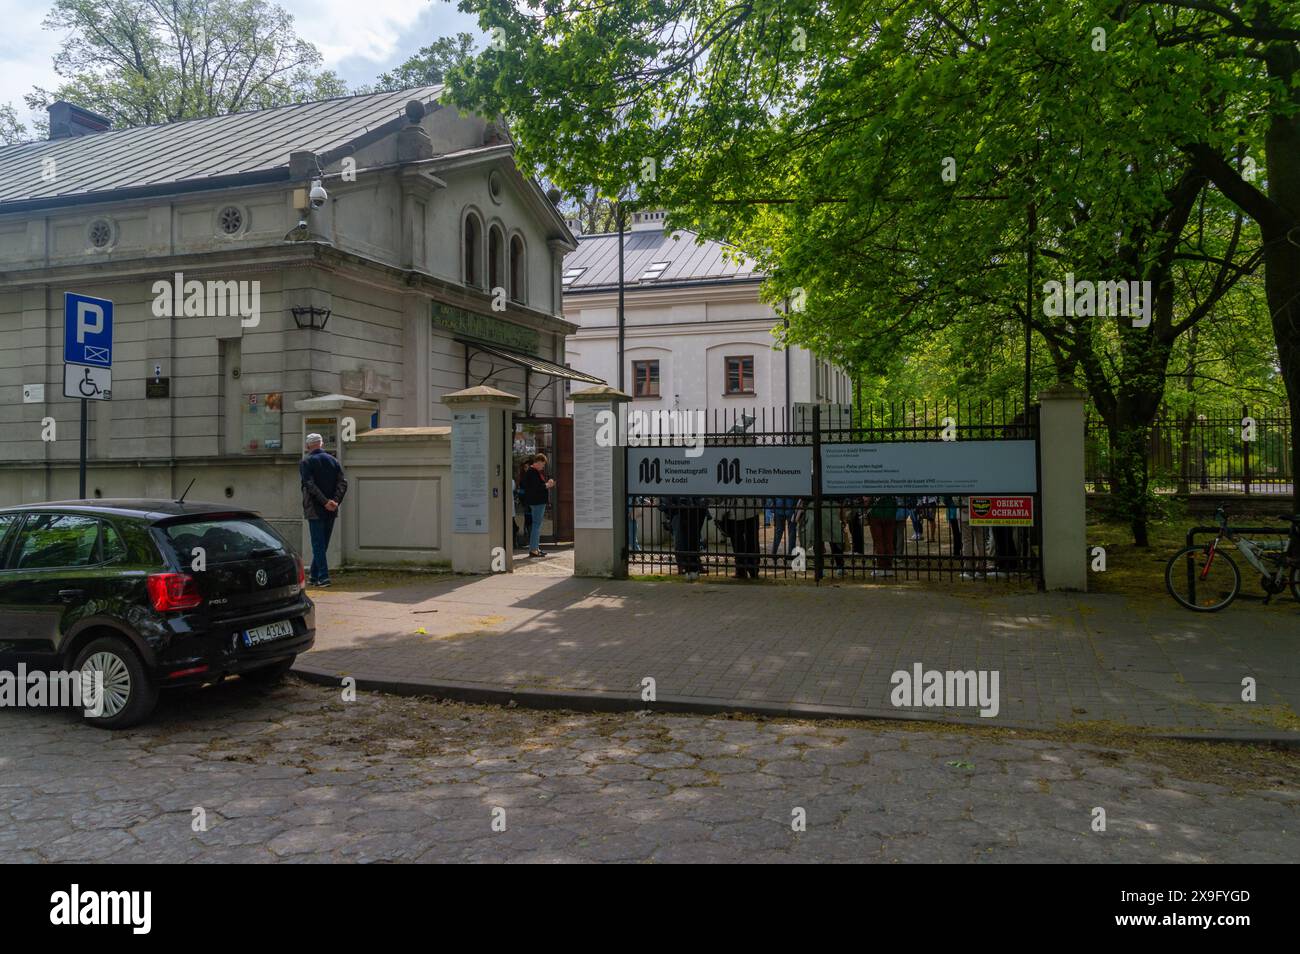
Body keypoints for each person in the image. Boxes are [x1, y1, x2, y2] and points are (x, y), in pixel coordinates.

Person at [300, 432, 348, 587]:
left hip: (315, 509)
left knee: (318, 544)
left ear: (308, 446)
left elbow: (310, 485)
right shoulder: (334, 461)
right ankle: (314, 576)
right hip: (331, 509)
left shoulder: (306, 463)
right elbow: (343, 483)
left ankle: (323, 577)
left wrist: (325, 501)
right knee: (323, 544)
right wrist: (335, 501)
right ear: (321, 444)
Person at [521, 453, 555, 557]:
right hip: (537, 502)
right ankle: (534, 549)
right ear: (538, 462)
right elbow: (536, 488)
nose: (543, 467)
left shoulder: (532, 472)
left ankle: (535, 548)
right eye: (543, 464)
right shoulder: (532, 472)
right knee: (536, 525)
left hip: (536, 502)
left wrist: (546, 484)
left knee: (536, 525)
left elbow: (535, 486)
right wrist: (547, 484)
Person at [866, 494, 897, 576]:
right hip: (890, 510)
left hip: (876, 511)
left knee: (879, 541)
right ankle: (889, 567)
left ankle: (881, 567)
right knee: (889, 541)